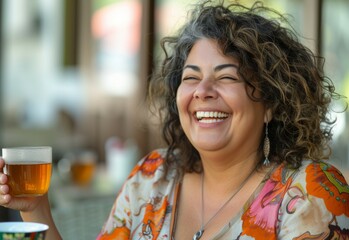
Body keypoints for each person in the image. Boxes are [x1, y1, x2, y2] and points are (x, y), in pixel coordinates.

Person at [1, 1, 349, 239]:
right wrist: (35, 207)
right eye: (191, 77)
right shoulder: (151, 177)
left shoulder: (310, 192)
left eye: (227, 77)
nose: (203, 91)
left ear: (272, 102)